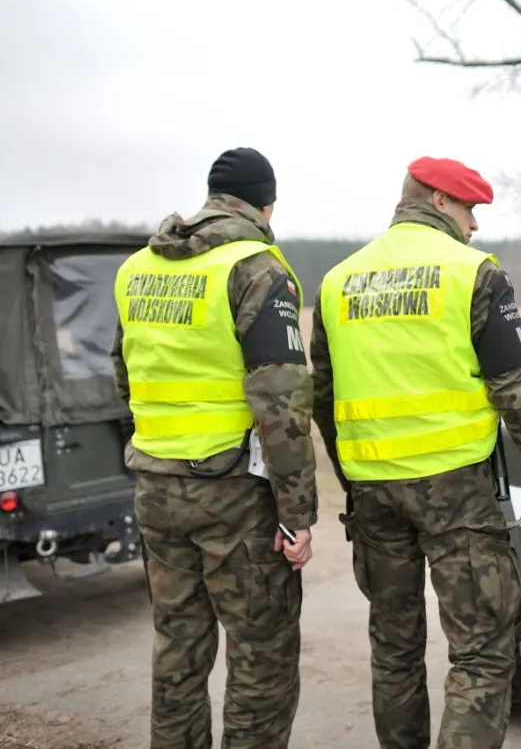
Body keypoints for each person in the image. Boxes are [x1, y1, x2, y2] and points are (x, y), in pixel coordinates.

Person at [310, 156, 521, 749]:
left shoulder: (338, 281)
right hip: (455, 491)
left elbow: (323, 396)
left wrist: (352, 471)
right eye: (469, 209)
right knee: (483, 650)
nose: (475, 225)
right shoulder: (472, 272)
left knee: (394, 647)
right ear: (437, 202)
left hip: (371, 494)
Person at [111, 146, 318, 749]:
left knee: (177, 646)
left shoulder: (136, 269)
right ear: (266, 202)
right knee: (262, 656)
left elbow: (123, 377)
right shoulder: (255, 267)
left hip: (155, 484)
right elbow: (280, 402)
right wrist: (296, 513)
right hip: (232, 492)